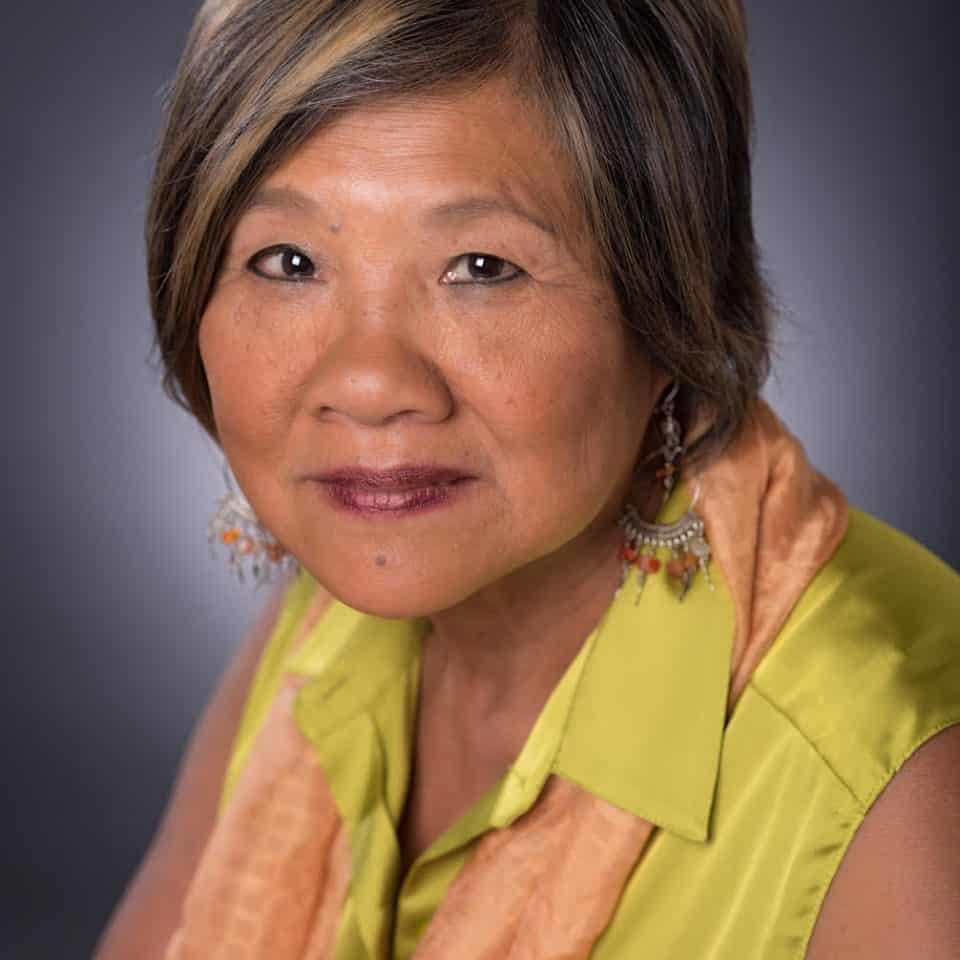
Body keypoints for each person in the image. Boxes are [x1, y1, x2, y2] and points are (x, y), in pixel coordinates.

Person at [95, 1, 960, 957]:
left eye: (482, 266)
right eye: (289, 261)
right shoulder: (315, 637)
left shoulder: (898, 791)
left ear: (670, 304)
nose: (369, 383)